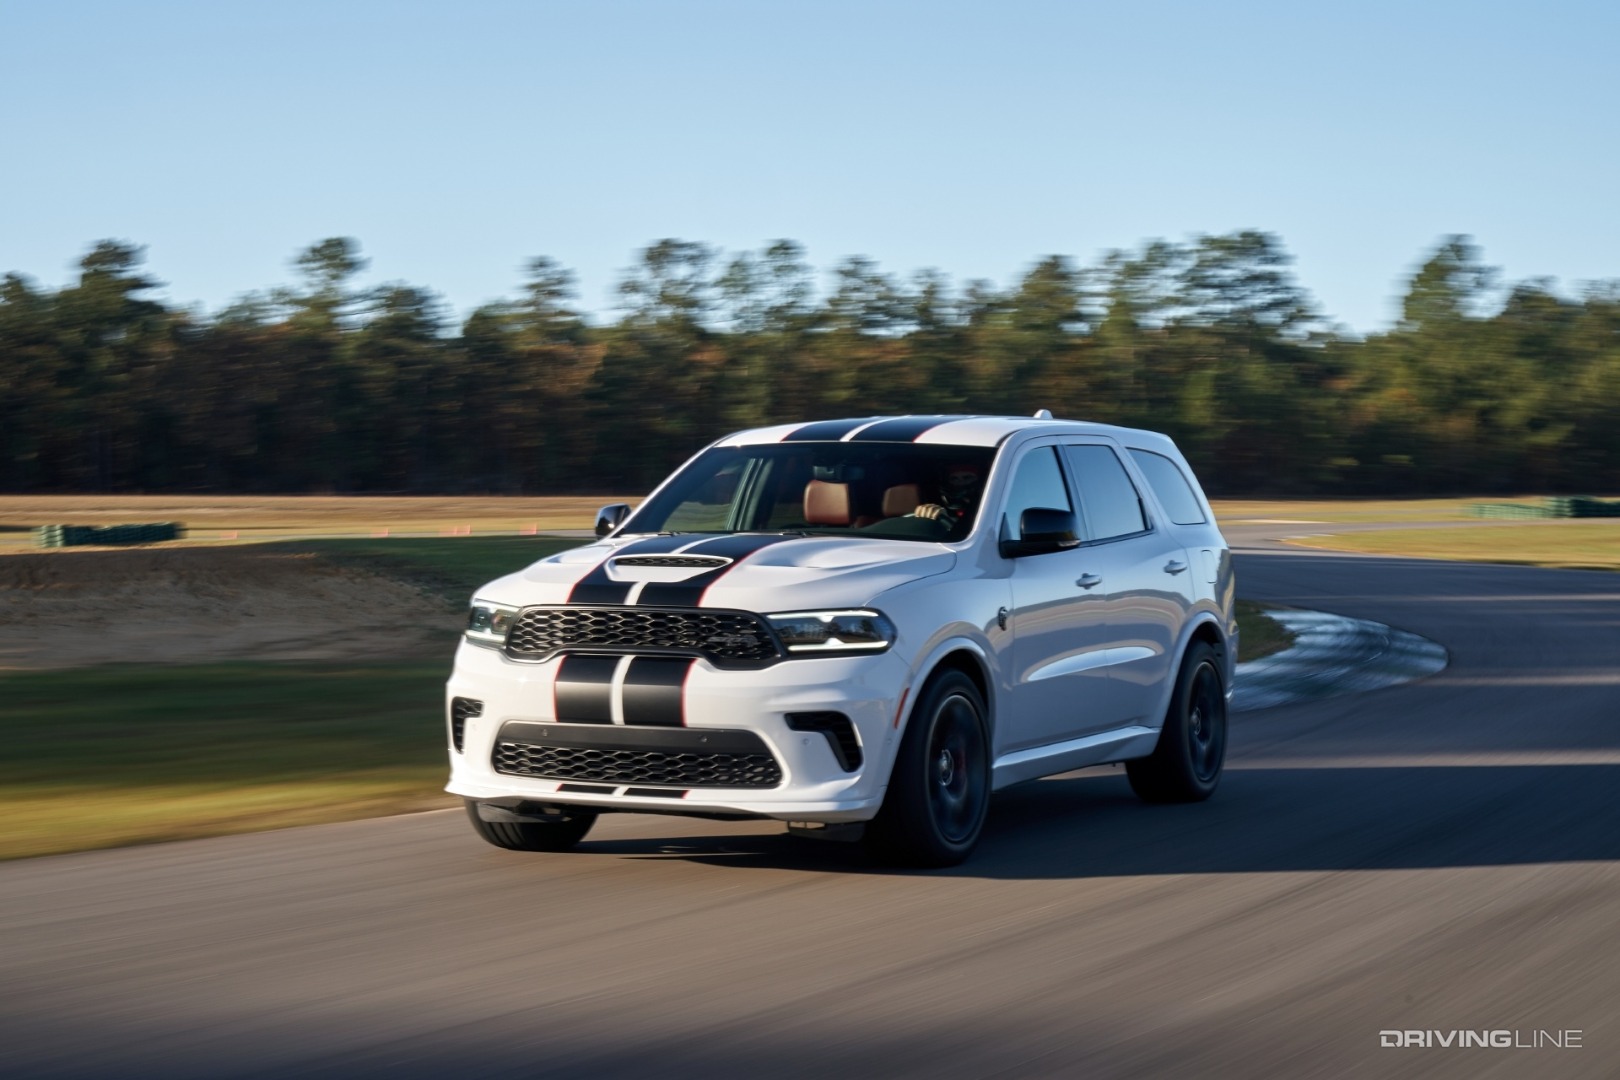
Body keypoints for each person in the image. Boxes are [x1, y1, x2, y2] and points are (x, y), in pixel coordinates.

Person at [912, 462, 984, 527]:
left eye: (967, 477)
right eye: (954, 478)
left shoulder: (986, 506)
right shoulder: (944, 503)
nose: (960, 483)